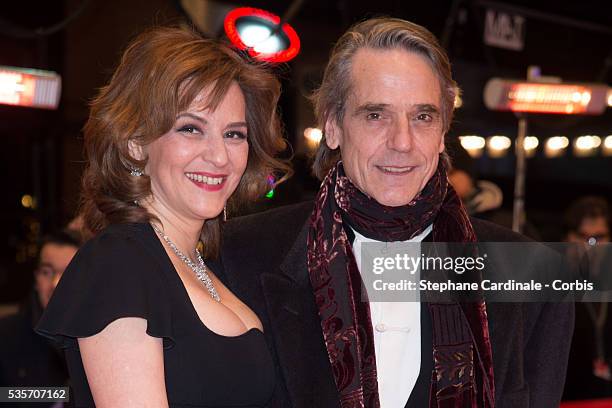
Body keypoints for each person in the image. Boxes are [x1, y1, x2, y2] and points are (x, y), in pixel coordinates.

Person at [215, 17, 574, 407]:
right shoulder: (236, 256)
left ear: (442, 132)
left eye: (422, 117)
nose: (402, 142)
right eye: (375, 115)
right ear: (332, 126)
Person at [36, 26, 289, 407]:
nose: (219, 156)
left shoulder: (208, 265)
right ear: (136, 144)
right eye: (191, 129)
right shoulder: (118, 264)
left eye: (234, 134)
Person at [0, 230, 80, 407]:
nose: (55, 284)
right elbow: (5, 394)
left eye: (68, 273)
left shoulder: (98, 338)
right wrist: (64, 395)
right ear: (36, 279)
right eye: (47, 272)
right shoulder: (7, 335)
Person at [563, 196, 612, 400]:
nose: (590, 246)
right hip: (567, 395)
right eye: (583, 237)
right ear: (568, 238)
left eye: (598, 238)